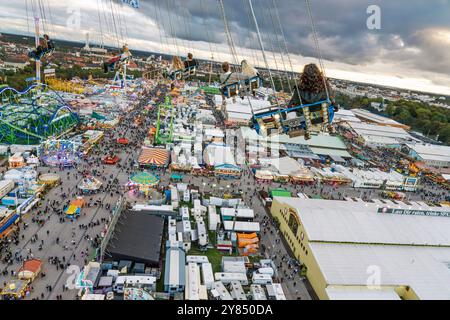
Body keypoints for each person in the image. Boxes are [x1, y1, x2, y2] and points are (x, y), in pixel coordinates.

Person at [286, 63, 339, 138]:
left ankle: (301, 130)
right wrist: (335, 105)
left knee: (293, 113)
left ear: (304, 75)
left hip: (305, 118)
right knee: (329, 107)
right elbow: (332, 99)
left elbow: (292, 103)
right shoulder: (326, 86)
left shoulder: (299, 88)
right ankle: (328, 126)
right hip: (322, 117)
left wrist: (289, 113)